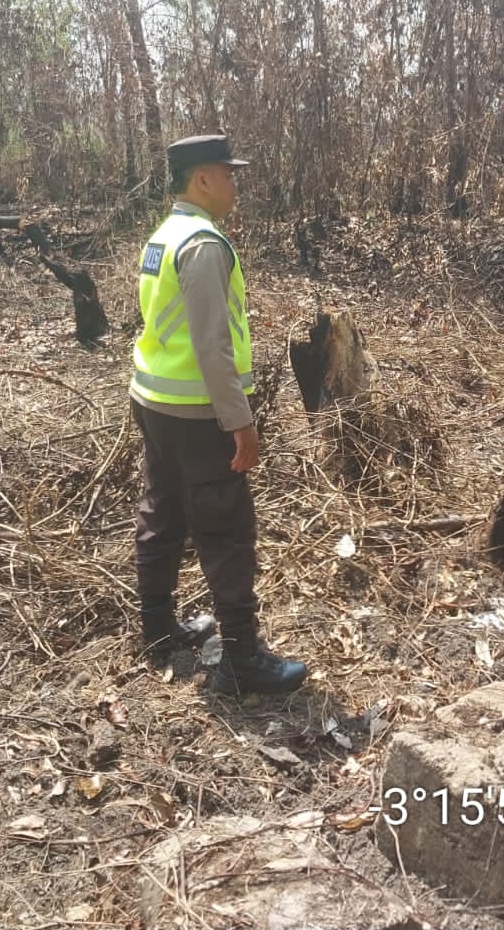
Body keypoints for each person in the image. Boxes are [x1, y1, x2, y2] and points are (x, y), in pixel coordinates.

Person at [128, 135, 309, 695]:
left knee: (163, 510)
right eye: (228, 175)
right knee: (226, 530)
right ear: (202, 179)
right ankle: (242, 662)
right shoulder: (203, 244)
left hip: (154, 402)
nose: (235, 186)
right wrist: (240, 421)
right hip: (198, 413)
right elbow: (211, 346)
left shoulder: (163, 236)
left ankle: (157, 630)